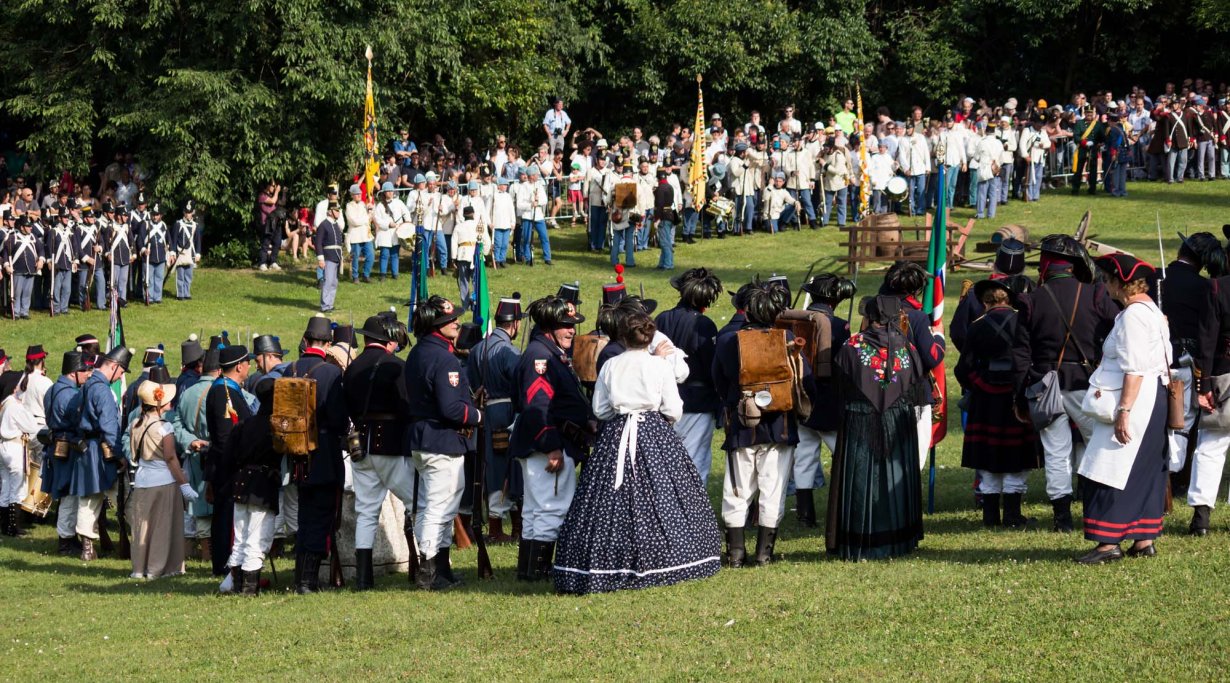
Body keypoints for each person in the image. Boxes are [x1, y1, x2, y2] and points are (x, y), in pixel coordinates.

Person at [553, 308, 720, 594]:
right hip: (654, 431)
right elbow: (674, 409)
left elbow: (600, 409)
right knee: (663, 494)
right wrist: (657, 422)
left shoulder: (610, 365)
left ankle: (607, 562)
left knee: (608, 500)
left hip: (617, 433)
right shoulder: (659, 365)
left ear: (623, 336)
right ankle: (670, 560)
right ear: (649, 337)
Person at [1013, 235, 1116, 532]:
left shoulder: (1032, 300)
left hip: (1044, 387)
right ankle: (1098, 509)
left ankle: (1063, 519)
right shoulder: (1095, 294)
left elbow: (1021, 355)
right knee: (1098, 445)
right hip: (1085, 383)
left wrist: (1020, 395)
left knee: (1056, 453)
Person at [1075, 254, 1171, 564]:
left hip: (1136, 400)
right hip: (1150, 398)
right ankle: (1143, 540)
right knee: (1142, 469)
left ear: (1121, 283)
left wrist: (1124, 411)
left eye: (1107, 280)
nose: (1105, 286)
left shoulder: (1133, 316)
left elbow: (1135, 368)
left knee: (1108, 468)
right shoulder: (1150, 311)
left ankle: (1108, 544)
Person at [712, 281, 804, 567]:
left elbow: (718, 379)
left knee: (737, 489)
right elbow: (804, 380)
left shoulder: (728, 340)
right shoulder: (787, 337)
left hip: (741, 425)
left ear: (748, 311)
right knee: (773, 488)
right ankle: (764, 555)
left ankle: (736, 554)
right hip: (780, 426)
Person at [826, 295, 925, 560]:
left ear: (870, 316)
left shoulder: (852, 345)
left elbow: (839, 386)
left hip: (860, 422)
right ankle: (898, 540)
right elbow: (916, 387)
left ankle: (861, 540)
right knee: (894, 476)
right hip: (897, 421)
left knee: (861, 479)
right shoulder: (908, 347)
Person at [511, 295, 591, 581]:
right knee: (550, 509)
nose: (571, 330)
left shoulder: (547, 352)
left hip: (543, 443)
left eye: (572, 325)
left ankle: (529, 571)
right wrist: (552, 446)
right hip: (548, 445)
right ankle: (540, 573)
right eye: (564, 325)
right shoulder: (541, 357)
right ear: (548, 327)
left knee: (536, 510)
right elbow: (538, 406)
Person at [404, 296, 481, 590]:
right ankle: (429, 572)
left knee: (434, 506)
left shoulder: (418, 353)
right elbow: (451, 409)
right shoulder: (445, 358)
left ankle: (441, 569)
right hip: (442, 439)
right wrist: (477, 415)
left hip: (424, 438)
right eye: (450, 319)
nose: (457, 322)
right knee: (441, 507)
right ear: (437, 326)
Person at [956, 279, 1039, 528]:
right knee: (1016, 457)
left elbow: (963, 368)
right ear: (1008, 299)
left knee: (988, 458)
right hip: (1017, 394)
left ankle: (990, 517)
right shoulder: (1023, 322)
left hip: (985, 399)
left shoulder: (976, 327)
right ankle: (1013, 515)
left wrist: (978, 384)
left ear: (985, 302)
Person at [344, 314, 411, 590]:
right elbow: (406, 405)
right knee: (418, 502)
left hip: (360, 445)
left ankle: (364, 578)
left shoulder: (352, 368)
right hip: (390, 443)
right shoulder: (396, 366)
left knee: (366, 512)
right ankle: (428, 564)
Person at [283, 316, 347, 594]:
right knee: (320, 517)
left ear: (306, 341)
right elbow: (338, 419)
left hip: (296, 455)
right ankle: (307, 581)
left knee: (305, 517)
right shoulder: (331, 373)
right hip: (323, 454)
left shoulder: (290, 369)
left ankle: (301, 577)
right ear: (328, 344)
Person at [1160, 232, 1223, 489]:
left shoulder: (1155, 277)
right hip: (1184, 364)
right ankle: (1170, 479)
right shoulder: (1204, 286)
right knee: (1181, 422)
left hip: (1153, 361)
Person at [794, 274, 856, 527]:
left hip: (800, 398)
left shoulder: (793, 320)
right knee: (843, 456)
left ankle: (805, 514)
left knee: (804, 458)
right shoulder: (839, 325)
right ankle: (844, 510)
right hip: (829, 401)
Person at [654, 269, 722, 487]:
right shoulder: (704, 325)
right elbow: (712, 367)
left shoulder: (662, 318)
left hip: (663, 400)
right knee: (695, 461)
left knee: (666, 463)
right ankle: (693, 506)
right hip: (697, 402)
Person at [127, 366, 197, 579]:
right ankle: (158, 567)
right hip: (164, 481)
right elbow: (170, 458)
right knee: (163, 526)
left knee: (142, 526)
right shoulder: (164, 427)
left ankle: (140, 567)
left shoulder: (135, 424)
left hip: (142, 479)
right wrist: (184, 484)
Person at [466, 295, 524, 543]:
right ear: (515, 323)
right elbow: (521, 384)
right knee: (507, 469)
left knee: (493, 468)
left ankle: (508, 524)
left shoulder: (477, 349)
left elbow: (471, 385)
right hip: (506, 413)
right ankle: (499, 527)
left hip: (484, 413)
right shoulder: (509, 351)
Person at [879, 261, 946, 469]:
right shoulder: (916, 316)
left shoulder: (874, 310)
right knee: (914, 456)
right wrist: (939, 337)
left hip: (879, 390)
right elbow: (932, 356)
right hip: (912, 392)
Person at [221, 379, 281, 595]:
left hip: (241, 484)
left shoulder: (244, 425)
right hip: (261, 485)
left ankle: (238, 585)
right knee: (257, 537)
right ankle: (248, 588)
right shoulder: (275, 427)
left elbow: (228, 459)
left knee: (241, 538)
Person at [73, 346, 130, 561]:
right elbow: (109, 427)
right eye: (121, 371)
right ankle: (137, 541)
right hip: (101, 450)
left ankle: (87, 548)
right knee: (122, 496)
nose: (121, 376)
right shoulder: (103, 391)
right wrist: (120, 454)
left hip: (87, 449)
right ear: (113, 366)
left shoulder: (86, 385)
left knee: (89, 499)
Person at [206, 344, 255, 583]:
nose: (249, 367)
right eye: (247, 363)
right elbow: (226, 436)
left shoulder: (229, 389)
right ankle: (224, 562)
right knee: (226, 516)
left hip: (230, 463)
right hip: (228, 465)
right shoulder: (222, 392)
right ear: (238, 366)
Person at [171, 336, 219, 562]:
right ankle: (211, 552)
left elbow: (176, 424)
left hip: (194, 454)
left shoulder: (187, 393)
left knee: (199, 504)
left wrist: (190, 441)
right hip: (216, 454)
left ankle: (206, 550)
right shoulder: (223, 392)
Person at [6, 216, 43, 318]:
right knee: (17, 293)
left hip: (31, 269)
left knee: (27, 292)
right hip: (17, 269)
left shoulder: (33, 237)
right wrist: (7, 265)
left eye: (30, 226)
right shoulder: (13, 237)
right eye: (28, 226)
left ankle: (25, 312)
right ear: (22, 227)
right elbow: (6, 253)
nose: (31, 228)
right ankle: (16, 312)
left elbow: (41, 249)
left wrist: (41, 260)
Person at [373, 181, 409, 281]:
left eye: (391, 191)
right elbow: (378, 220)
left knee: (395, 254)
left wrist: (406, 223)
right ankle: (383, 274)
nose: (390, 192)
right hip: (384, 233)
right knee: (384, 254)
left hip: (396, 232)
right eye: (388, 191)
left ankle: (395, 274)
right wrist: (388, 224)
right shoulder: (380, 205)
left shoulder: (399, 202)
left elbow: (406, 213)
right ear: (384, 192)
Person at [516, 167, 551, 266]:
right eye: (536, 175)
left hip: (538, 216)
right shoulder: (522, 187)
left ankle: (547, 258)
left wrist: (537, 201)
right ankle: (528, 258)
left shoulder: (539, 185)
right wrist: (530, 204)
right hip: (527, 216)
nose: (537, 176)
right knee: (527, 238)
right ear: (531, 176)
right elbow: (519, 204)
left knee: (544, 237)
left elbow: (544, 200)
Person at [314, 201, 344, 313]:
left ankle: (330, 304)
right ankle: (325, 305)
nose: (338, 212)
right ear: (330, 212)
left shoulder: (336, 225)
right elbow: (318, 243)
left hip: (336, 256)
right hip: (328, 256)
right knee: (328, 281)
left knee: (334, 282)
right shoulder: (323, 225)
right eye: (336, 210)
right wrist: (320, 259)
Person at [138, 203, 170, 303]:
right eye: (153, 215)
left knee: (159, 278)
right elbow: (140, 240)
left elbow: (169, 240)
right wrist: (144, 250)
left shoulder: (163, 225)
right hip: (149, 257)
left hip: (161, 256)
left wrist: (169, 249)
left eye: (157, 215)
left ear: (161, 215)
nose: (155, 217)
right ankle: (149, 297)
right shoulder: (145, 224)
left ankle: (157, 297)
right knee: (148, 279)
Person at [345, 184, 375, 283]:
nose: (359, 195)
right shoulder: (349, 206)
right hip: (355, 236)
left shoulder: (364, 204)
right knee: (355, 257)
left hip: (366, 235)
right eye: (356, 194)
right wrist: (367, 217)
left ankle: (366, 275)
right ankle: (355, 276)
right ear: (352, 195)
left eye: (360, 194)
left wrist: (371, 209)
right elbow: (354, 221)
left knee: (371, 256)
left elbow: (371, 217)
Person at [173, 200, 201, 300]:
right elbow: (174, 240)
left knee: (189, 275)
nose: (188, 214)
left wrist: (198, 253)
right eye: (186, 212)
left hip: (191, 253)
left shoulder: (195, 225)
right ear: (184, 212)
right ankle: (180, 294)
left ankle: (187, 293)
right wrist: (173, 252)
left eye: (189, 212)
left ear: (192, 212)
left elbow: (197, 241)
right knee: (180, 275)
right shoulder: (178, 224)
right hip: (180, 253)